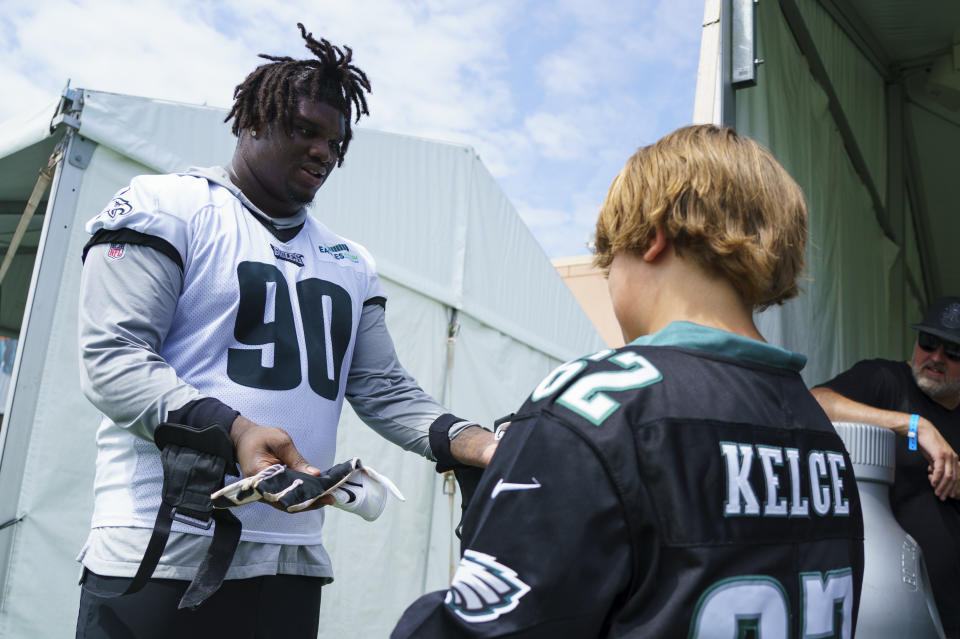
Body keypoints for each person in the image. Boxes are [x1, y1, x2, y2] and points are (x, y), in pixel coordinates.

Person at [74, 24, 495, 639]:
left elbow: (382, 387)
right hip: (162, 546)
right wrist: (237, 431)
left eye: (336, 141)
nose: (324, 151)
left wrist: (474, 442)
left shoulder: (351, 261)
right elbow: (114, 359)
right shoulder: (167, 205)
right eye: (305, 130)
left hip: (291, 558)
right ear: (251, 123)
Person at [392, 124, 864, 638]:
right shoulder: (818, 430)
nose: (609, 275)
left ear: (653, 237)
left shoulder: (597, 404)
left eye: (609, 257)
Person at [812, 296, 960, 638]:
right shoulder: (886, 379)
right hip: (887, 605)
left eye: (953, 352)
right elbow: (816, 402)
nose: (935, 358)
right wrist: (914, 426)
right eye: (928, 343)